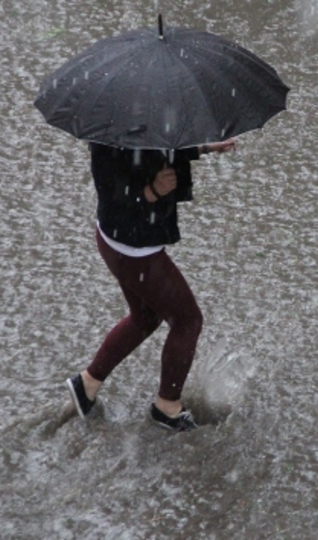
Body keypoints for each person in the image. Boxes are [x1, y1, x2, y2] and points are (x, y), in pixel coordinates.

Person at [65, 138, 237, 431]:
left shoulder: (141, 122)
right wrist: (152, 191)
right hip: (133, 249)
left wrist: (205, 147)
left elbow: (159, 147)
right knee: (188, 320)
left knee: (145, 317)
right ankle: (166, 406)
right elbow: (112, 194)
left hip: (119, 241)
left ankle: (88, 383)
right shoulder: (111, 138)